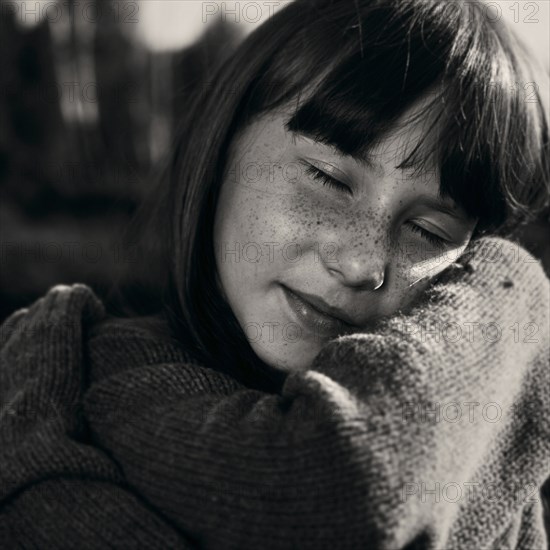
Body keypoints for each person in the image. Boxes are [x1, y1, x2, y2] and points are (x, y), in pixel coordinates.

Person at [1, 0, 548, 548]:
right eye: (327, 177)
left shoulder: (477, 434)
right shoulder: (105, 372)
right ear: (222, 147)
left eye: (428, 231)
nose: (361, 263)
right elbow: (340, 486)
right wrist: (515, 289)